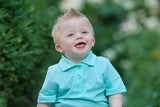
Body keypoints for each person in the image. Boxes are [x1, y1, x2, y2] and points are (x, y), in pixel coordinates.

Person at [37, 8, 127, 107]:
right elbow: (44, 102)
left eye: (84, 32)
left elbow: (115, 92)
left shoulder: (103, 64)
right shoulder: (54, 72)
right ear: (59, 47)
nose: (79, 36)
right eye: (71, 34)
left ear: (92, 41)